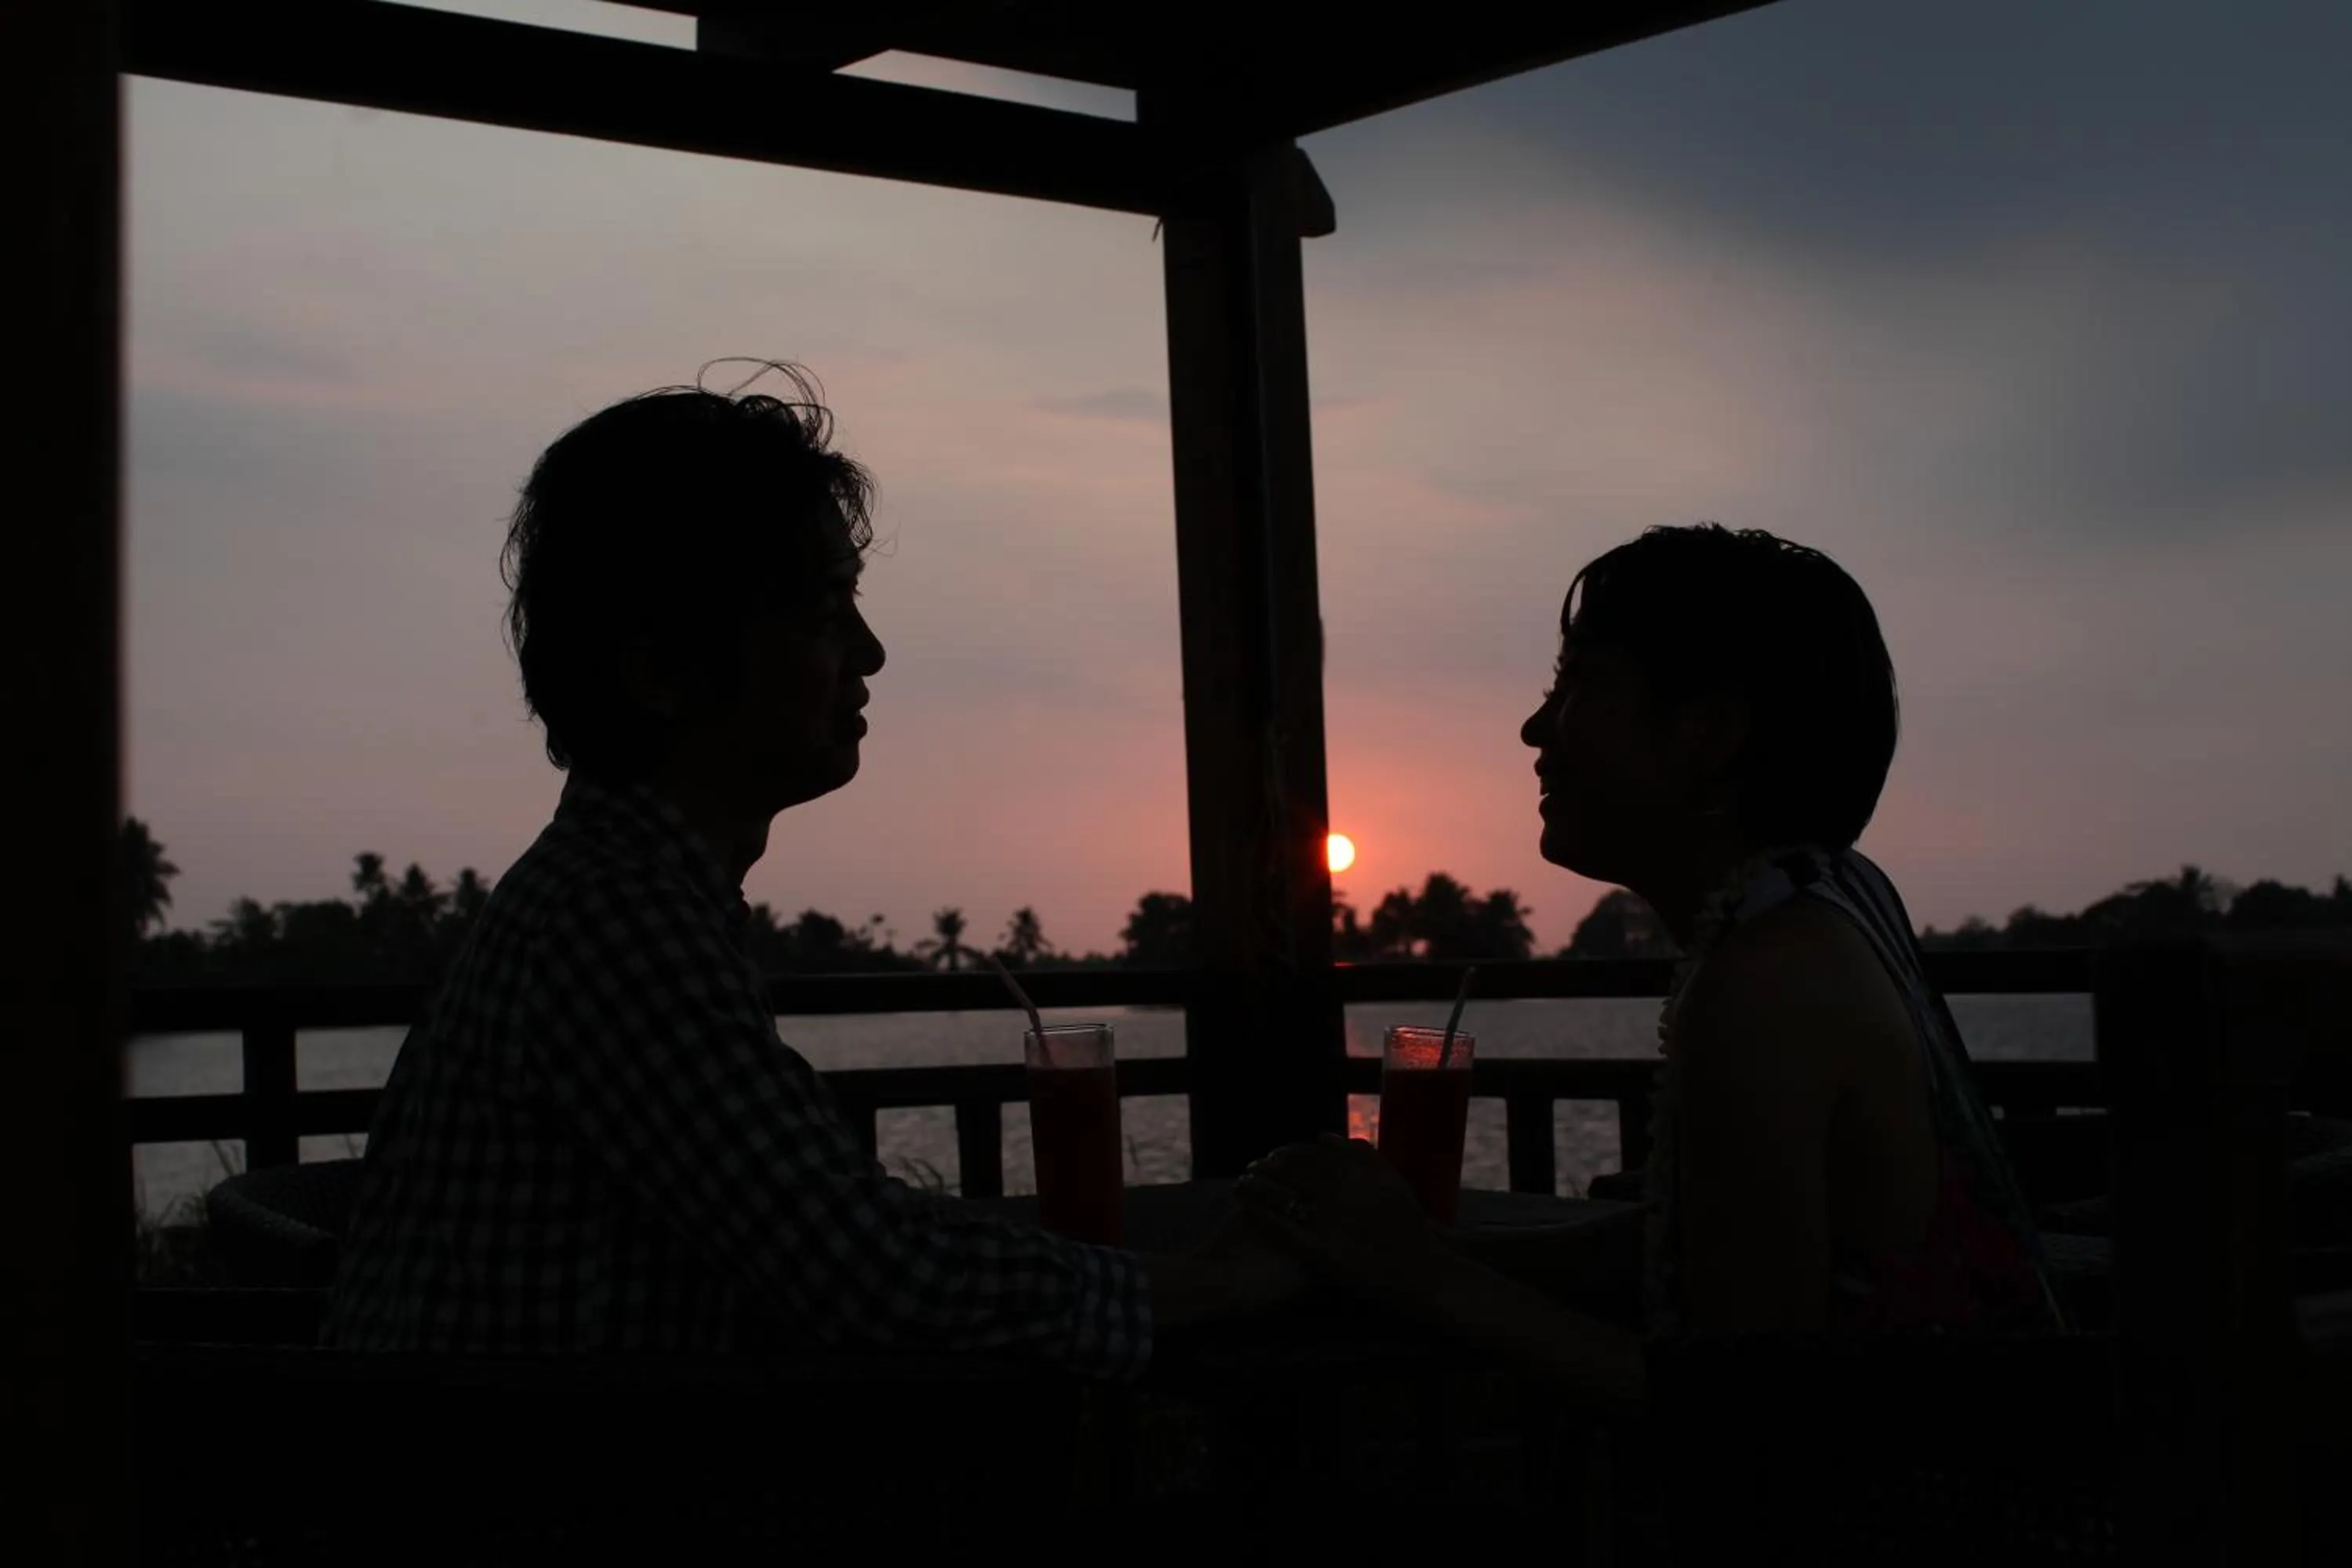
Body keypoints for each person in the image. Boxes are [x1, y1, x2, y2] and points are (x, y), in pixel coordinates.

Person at [325, 365, 1298, 1370]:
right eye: (824, 609)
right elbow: (872, 1276)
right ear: (659, 670)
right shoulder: (615, 922)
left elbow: (818, 1239)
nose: (870, 651)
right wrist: (1232, 1280)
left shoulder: (620, 895)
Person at [1238, 524, 2061, 1413]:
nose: (1534, 728)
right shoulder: (1829, 901)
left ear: (1706, 735)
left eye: (1578, 684)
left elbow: (1735, 1413)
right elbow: (1704, 1242)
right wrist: (1408, 1248)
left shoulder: (1768, 982)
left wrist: (1420, 1276)